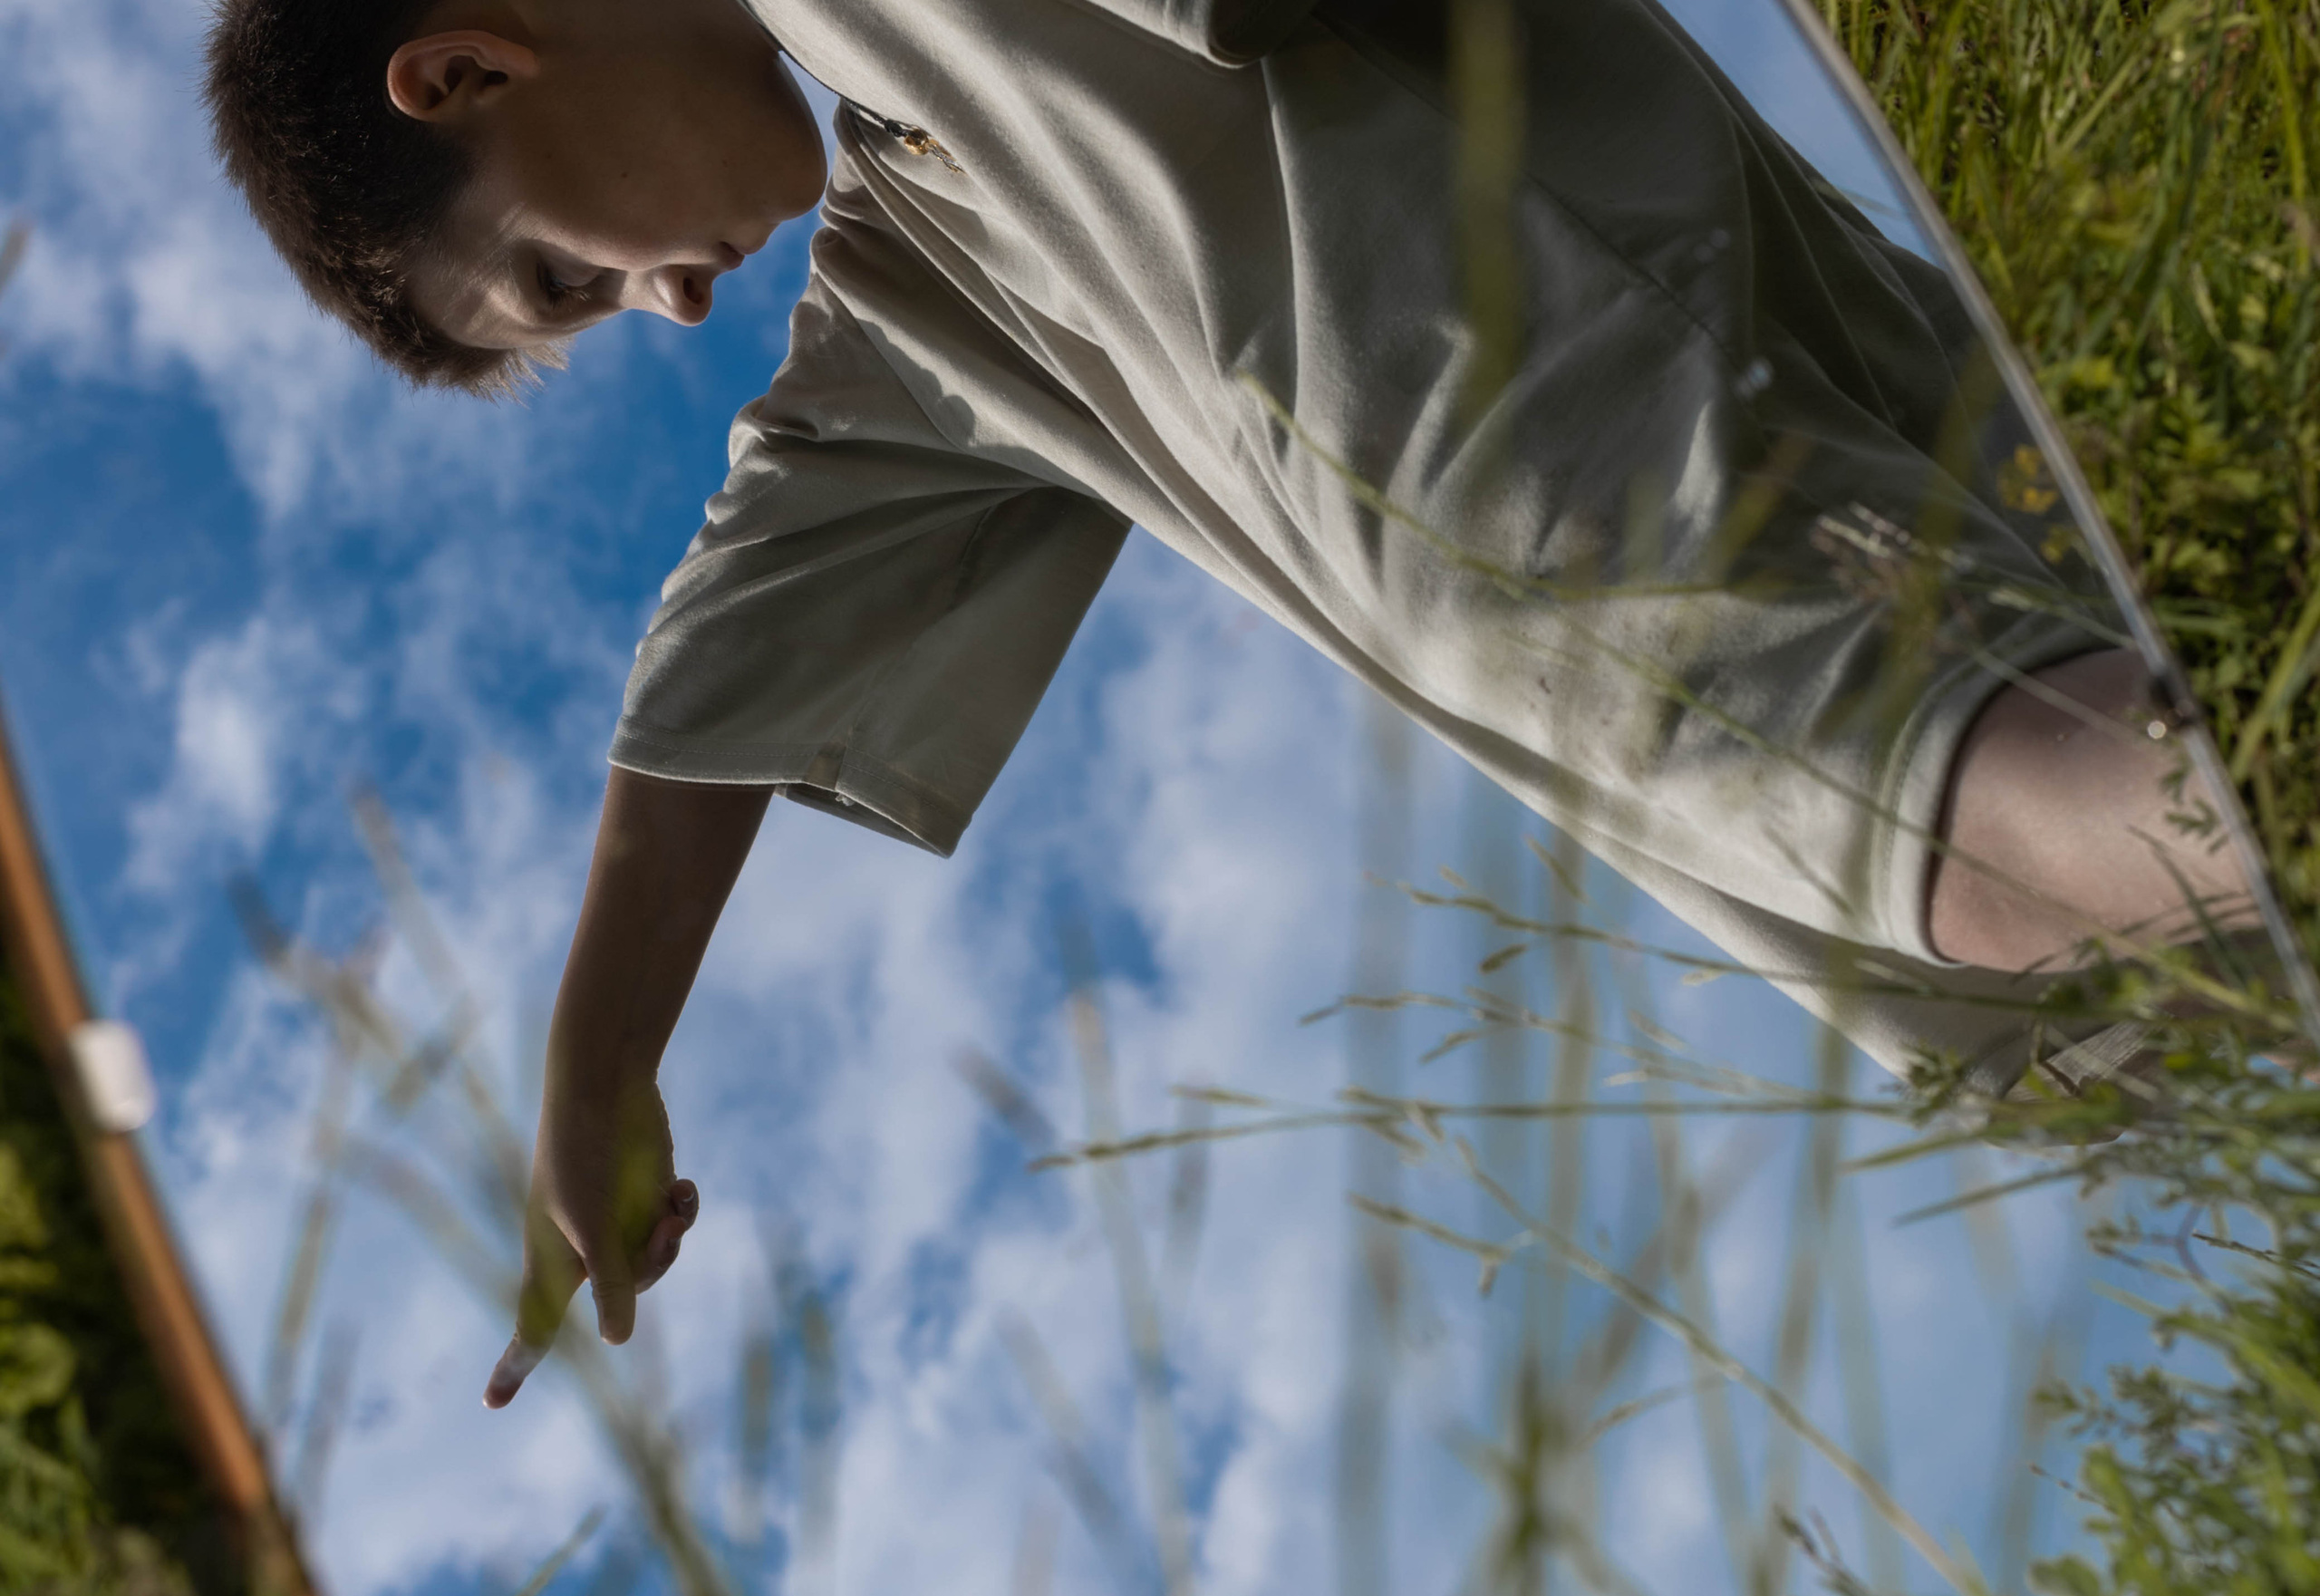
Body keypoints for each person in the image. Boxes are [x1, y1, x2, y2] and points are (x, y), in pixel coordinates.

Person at [202, 0, 2260, 1407]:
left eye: (565, 275)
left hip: (1559, 496)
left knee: (1978, 835)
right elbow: (750, 602)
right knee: (2133, 691)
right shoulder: (923, 255)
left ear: (466, 62)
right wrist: (598, 1043)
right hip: (1707, 350)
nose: (669, 300)